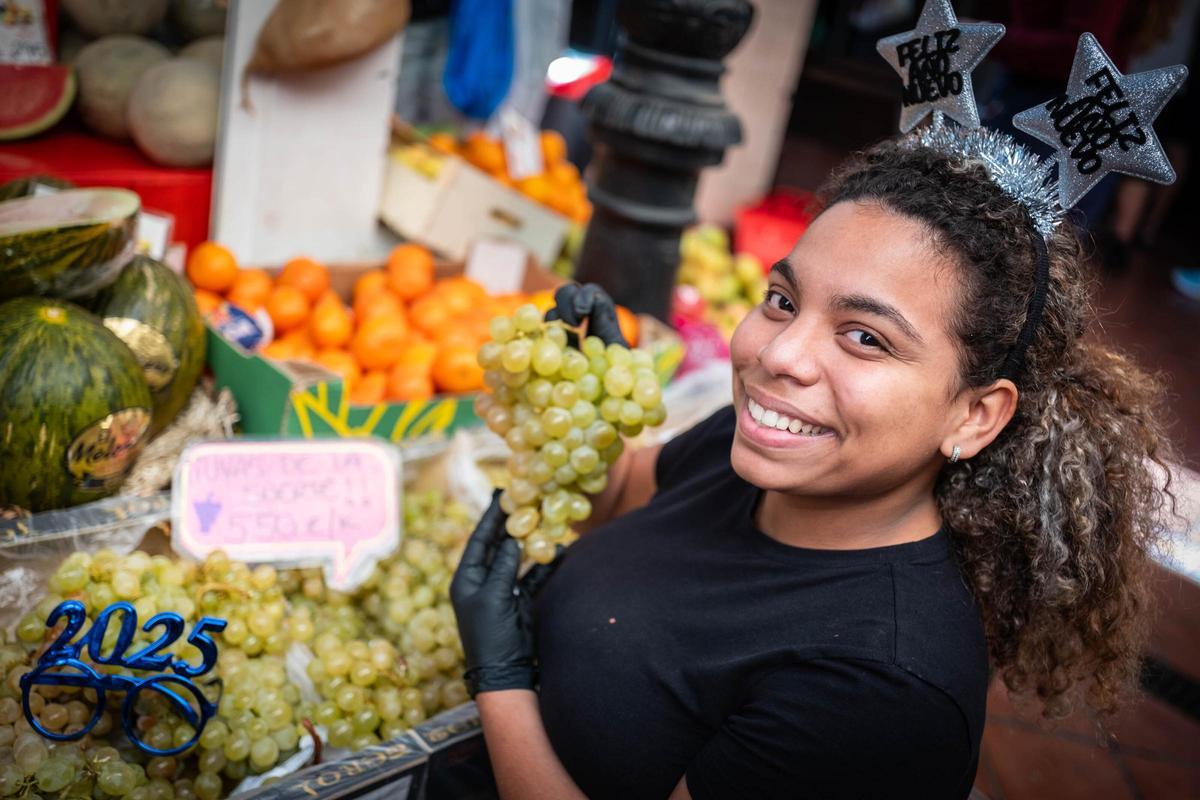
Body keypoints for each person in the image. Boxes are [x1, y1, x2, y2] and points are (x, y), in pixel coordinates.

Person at [451, 136, 1179, 799]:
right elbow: (617, 492)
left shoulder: (880, 687)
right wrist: (583, 396)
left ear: (974, 414)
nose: (778, 356)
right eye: (782, 299)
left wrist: (502, 683)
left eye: (864, 337)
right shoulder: (761, 454)